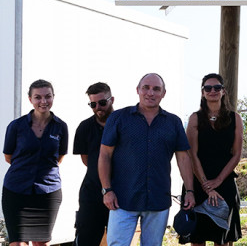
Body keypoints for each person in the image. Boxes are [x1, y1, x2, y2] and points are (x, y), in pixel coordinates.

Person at [98, 73, 196, 246]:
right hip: (122, 199)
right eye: (146, 88)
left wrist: (190, 190)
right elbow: (105, 155)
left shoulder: (173, 122)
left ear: (164, 93)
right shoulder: (119, 118)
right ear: (138, 90)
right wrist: (107, 190)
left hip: (158, 198)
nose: (150, 93)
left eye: (156, 89)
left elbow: (183, 158)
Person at [2, 79, 68, 246]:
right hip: (16, 190)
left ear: (53, 97)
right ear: (30, 99)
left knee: (42, 243)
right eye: (38, 97)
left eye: (48, 96)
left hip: (47, 192)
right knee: (17, 243)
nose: (43, 101)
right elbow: (8, 156)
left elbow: (59, 158)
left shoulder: (61, 127)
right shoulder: (16, 126)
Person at [185, 73, 243, 245]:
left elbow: (236, 154)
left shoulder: (235, 118)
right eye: (208, 88)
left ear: (223, 91)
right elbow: (191, 154)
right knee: (197, 238)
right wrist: (206, 184)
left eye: (217, 87)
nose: (212, 91)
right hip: (198, 182)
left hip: (224, 183)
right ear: (202, 93)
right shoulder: (195, 118)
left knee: (224, 239)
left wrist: (218, 180)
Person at [73, 82, 114, 246]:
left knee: (117, 241)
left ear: (112, 100)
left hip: (120, 193)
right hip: (91, 194)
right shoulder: (84, 127)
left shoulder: (124, 124)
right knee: (86, 240)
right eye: (93, 104)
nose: (98, 107)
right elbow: (86, 160)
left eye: (102, 102)